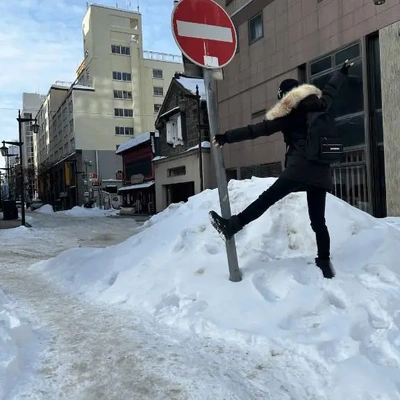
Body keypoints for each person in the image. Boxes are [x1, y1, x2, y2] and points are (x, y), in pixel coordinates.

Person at [209, 60, 354, 279]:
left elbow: (256, 130)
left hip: (298, 169)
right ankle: (324, 261)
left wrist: (226, 137)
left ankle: (232, 226)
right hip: (321, 171)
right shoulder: (320, 104)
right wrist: (342, 71)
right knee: (318, 220)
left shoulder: (289, 113)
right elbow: (331, 90)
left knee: (266, 199)